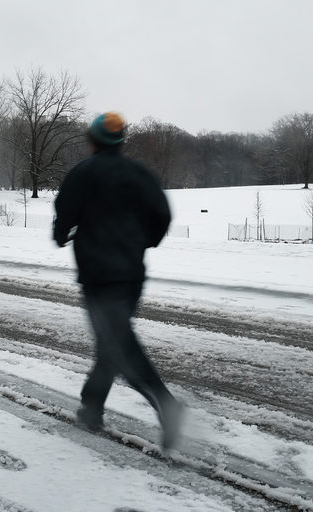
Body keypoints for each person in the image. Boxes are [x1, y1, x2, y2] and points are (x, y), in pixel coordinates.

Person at [53, 111, 184, 452]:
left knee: (119, 345)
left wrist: (60, 234)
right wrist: (144, 241)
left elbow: (64, 215)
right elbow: (162, 216)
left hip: (99, 275)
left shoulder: (83, 173)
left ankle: (166, 404)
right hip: (132, 273)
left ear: (92, 140)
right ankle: (91, 407)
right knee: (110, 342)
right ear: (122, 140)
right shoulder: (141, 174)